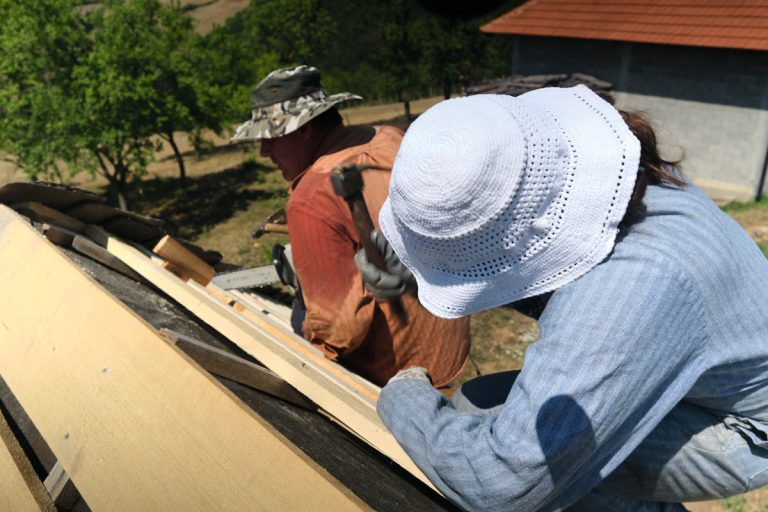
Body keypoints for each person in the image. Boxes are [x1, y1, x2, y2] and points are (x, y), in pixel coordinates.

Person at [356, 85, 768, 510]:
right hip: (698, 361)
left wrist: (404, 399)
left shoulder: (626, 291)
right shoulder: (606, 171)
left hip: (747, 430)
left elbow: (501, 486)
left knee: (561, 471)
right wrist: (421, 260)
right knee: (480, 406)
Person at [231, 65, 470, 388]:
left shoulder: (310, 199)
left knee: (302, 316)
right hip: (447, 345)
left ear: (305, 130)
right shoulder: (390, 138)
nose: (264, 151)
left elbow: (339, 332)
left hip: (394, 374)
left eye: (272, 137)